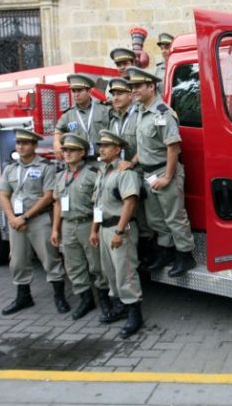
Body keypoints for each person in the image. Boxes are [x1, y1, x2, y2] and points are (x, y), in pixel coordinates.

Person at [125, 66, 196, 277]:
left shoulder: (163, 113)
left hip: (164, 172)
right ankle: (166, 253)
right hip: (148, 174)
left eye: (138, 86)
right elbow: (145, 145)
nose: (133, 90)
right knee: (156, 219)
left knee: (175, 218)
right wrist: (132, 162)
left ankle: (186, 257)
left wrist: (167, 176)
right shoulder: (140, 111)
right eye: (132, 87)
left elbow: (173, 147)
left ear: (151, 86)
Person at [0, 129, 70, 315]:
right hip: (17, 222)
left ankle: (59, 297)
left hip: (39, 220)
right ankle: (23, 297)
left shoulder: (45, 167)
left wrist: (25, 217)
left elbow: (48, 197)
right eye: (18, 143)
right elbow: (3, 194)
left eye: (25, 143)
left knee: (50, 259)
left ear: (34, 146)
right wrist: (12, 218)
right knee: (17, 261)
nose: (20, 146)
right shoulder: (10, 168)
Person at [50, 133, 111, 321]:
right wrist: (55, 229)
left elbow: (99, 205)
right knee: (74, 266)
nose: (67, 153)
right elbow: (57, 204)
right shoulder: (60, 176)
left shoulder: (93, 174)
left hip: (87, 224)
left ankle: (104, 300)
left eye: (72, 150)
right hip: (68, 226)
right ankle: (86, 300)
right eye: (65, 150)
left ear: (82, 152)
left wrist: (94, 229)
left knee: (96, 265)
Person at [89, 129, 143, 338]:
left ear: (117, 149)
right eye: (100, 145)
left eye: (105, 146)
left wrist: (119, 231)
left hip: (119, 228)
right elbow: (98, 204)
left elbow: (130, 203)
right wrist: (94, 229)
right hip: (104, 229)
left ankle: (134, 314)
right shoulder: (103, 171)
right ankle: (120, 306)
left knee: (125, 272)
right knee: (110, 272)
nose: (101, 149)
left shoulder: (125, 172)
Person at [106, 77, 158, 271]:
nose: (116, 97)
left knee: (144, 218)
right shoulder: (113, 118)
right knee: (127, 215)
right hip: (120, 174)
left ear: (130, 95)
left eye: (120, 94)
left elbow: (145, 144)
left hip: (139, 171)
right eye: (113, 94)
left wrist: (131, 162)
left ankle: (148, 256)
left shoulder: (139, 115)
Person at [53, 73, 111, 161]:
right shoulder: (68, 114)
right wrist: (57, 144)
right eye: (73, 91)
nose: (76, 94)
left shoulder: (104, 110)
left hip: (101, 160)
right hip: (79, 161)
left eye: (79, 90)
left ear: (89, 91)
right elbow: (58, 131)